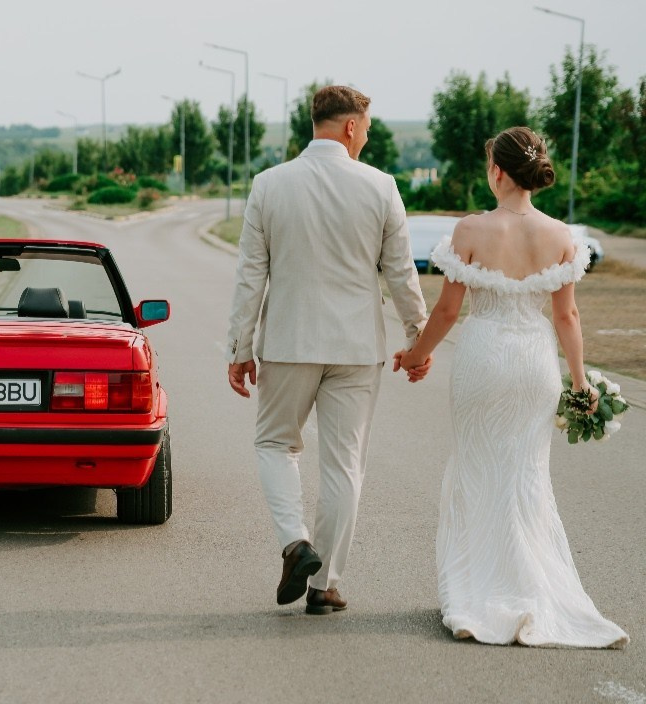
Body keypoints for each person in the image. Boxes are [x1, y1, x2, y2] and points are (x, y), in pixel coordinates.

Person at [396, 126, 628, 648]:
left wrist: (416, 355)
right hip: (533, 364)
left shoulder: (470, 231)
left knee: (477, 469)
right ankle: (530, 589)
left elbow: (449, 310)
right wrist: (578, 380)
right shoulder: (561, 235)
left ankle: (479, 590)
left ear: (497, 171)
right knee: (526, 476)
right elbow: (566, 316)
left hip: (483, 360)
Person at [225, 85, 429, 614]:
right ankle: (325, 586)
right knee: (344, 466)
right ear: (351, 127)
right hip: (357, 346)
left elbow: (251, 275)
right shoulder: (381, 187)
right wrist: (418, 337)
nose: (367, 135)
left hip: (289, 342)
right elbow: (401, 273)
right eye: (366, 127)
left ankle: (295, 544)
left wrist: (239, 346)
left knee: (275, 445)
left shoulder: (269, 185)